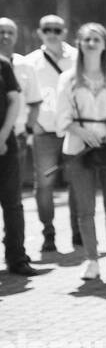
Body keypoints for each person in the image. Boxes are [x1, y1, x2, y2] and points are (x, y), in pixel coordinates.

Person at [56, 23, 106, 281]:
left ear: (104, 45)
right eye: (86, 40)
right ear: (79, 44)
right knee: (85, 209)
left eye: (96, 40)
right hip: (79, 149)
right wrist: (82, 133)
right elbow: (61, 118)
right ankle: (91, 260)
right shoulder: (68, 79)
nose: (91, 44)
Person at [23, 15, 80, 253]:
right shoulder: (31, 62)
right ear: (40, 32)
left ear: (64, 32)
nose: (52, 33)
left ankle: (79, 232)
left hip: (73, 131)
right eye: (48, 29)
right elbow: (23, 94)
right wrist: (32, 125)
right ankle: (49, 233)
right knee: (44, 185)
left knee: (78, 182)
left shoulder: (78, 57)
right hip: (44, 132)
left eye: (57, 29)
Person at [0, 19, 42, 277]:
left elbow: (15, 102)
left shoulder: (4, 65)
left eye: (9, 32)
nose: (4, 36)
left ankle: (17, 259)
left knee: (12, 204)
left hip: (6, 146)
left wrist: (3, 137)